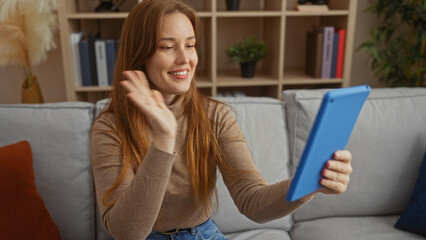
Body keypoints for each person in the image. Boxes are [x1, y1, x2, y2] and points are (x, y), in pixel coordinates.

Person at [90, 0, 353, 239]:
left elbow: (252, 201)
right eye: (168, 47)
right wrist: (163, 140)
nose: (185, 59)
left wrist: (307, 184)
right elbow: (126, 232)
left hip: (203, 234)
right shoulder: (109, 128)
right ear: (139, 55)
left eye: (190, 45)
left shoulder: (214, 116)